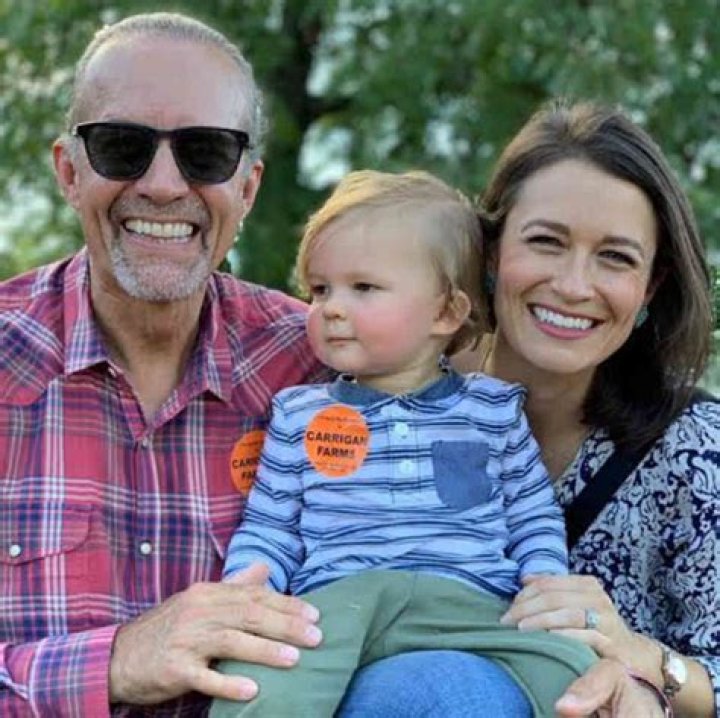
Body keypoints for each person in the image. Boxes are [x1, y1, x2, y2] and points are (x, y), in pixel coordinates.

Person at [0, 9, 679, 716]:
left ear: (248, 187)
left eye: (205, 152)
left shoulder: (322, 355)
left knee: (447, 691)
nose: (165, 185)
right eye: (122, 147)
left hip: (411, 658)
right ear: (68, 171)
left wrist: (632, 673)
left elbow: (474, 367)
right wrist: (112, 663)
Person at [209, 169, 597, 717]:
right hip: (338, 604)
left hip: (471, 604)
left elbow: (531, 514)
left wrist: (543, 577)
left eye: (363, 288)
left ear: (445, 312)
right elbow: (272, 525)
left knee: (574, 673)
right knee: (252, 686)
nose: (331, 308)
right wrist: (252, 580)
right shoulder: (299, 414)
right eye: (320, 290)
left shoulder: (492, 411)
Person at [448, 100, 717, 718]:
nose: (573, 285)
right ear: (491, 253)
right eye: (546, 242)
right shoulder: (395, 400)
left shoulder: (697, 450)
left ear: (650, 287)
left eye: (615, 257)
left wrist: (645, 658)